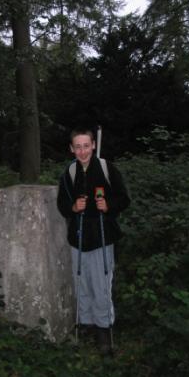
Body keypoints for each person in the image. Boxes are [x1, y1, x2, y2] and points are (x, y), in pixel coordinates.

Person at [57, 128, 130, 354]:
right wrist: (72, 207)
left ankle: (104, 331)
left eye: (86, 146)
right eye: (77, 147)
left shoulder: (107, 169)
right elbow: (62, 204)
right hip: (77, 238)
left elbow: (124, 199)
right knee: (81, 284)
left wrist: (108, 206)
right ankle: (87, 324)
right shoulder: (69, 173)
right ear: (71, 149)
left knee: (101, 285)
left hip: (102, 236)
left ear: (93, 146)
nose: (82, 151)